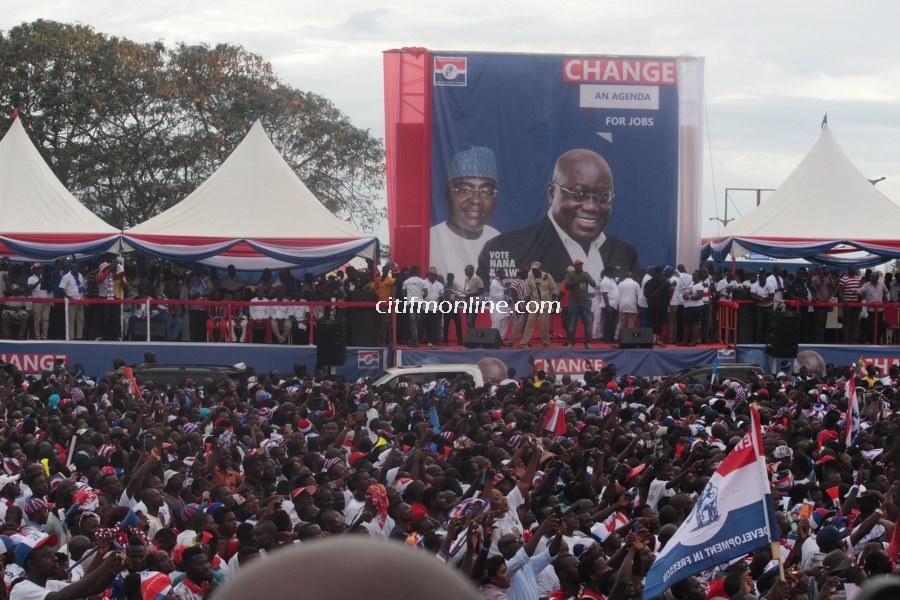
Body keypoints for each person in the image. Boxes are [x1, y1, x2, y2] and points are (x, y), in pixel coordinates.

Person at [479, 148, 639, 284]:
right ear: (552, 193)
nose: (591, 206)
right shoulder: (504, 248)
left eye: (603, 196)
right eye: (579, 193)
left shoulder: (625, 254)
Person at [430, 146, 501, 282]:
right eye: (464, 190)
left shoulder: (497, 240)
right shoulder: (431, 240)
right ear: (447, 196)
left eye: (486, 192)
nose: (476, 200)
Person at [518, 262, 557, 348]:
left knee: (544, 324)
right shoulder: (529, 279)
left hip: (545, 303)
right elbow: (528, 294)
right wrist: (525, 305)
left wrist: (554, 304)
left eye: (536, 270)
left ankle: (546, 342)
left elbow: (554, 292)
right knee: (530, 322)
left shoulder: (547, 277)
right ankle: (524, 342)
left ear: (540, 269)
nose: (534, 272)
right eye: (533, 270)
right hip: (534, 303)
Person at [563, 260, 595, 348]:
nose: (580, 267)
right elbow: (567, 285)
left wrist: (586, 278)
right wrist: (578, 280)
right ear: (575, 266)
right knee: (572, 325)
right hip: (573, 304)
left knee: (588, 324)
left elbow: (594, 284)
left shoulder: (585, 274)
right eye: (578, 265)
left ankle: (587, 342)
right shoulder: (570, 275)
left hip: (585, 303)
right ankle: (571, 342)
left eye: (581, 265)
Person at [57, 261, 86, 340]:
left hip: (80, 300)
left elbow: (83, 287)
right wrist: (67, 296)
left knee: (80, 319)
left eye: (77, 267)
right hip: (71, 301)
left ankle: (79, 337)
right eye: (74, 267)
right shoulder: (66, 276)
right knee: (71, 320)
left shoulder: (80, 275)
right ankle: (71, 337)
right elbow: (61, 287)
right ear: (70, 268)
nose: (76, 269)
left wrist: (84, 297)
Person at [836, 264, 862, 344]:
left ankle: (852, 339)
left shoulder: (857, 278)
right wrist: (844, 301)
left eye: (855, 269)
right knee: (847, 322)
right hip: (847, 304)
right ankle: (846, 339)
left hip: (856, 304)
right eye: (853, 269)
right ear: (849, 269)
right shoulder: (844, 279)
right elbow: (839, 292)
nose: (854, 270)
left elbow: (859, 290)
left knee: (855, 322)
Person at [488, 268, 511, 341]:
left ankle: (500, 340)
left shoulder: (500, 282)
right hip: (496, 307)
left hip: (503, 307)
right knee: (497, 324)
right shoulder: (494, 283)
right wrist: (504, 292)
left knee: (505, 323)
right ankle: (493, 340)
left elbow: (502, 293)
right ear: (499, 274)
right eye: (503, 273)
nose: (505, 275)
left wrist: (506, 290)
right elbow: (493, 295)